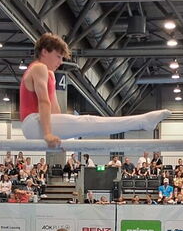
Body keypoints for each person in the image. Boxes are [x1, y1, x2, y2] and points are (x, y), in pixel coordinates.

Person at [19, 33, 170, 147]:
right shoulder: (39, 68)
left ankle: (143, 122)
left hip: (40, 123)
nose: (60, 62)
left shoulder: (50, 74)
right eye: (58, 56)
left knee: (86, 125)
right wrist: (48, 134)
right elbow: (43, 102)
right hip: (32, 124)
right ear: (44, 52)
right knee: (88, 121)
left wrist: (61, 136)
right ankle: (143, 122)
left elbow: (55, 112)